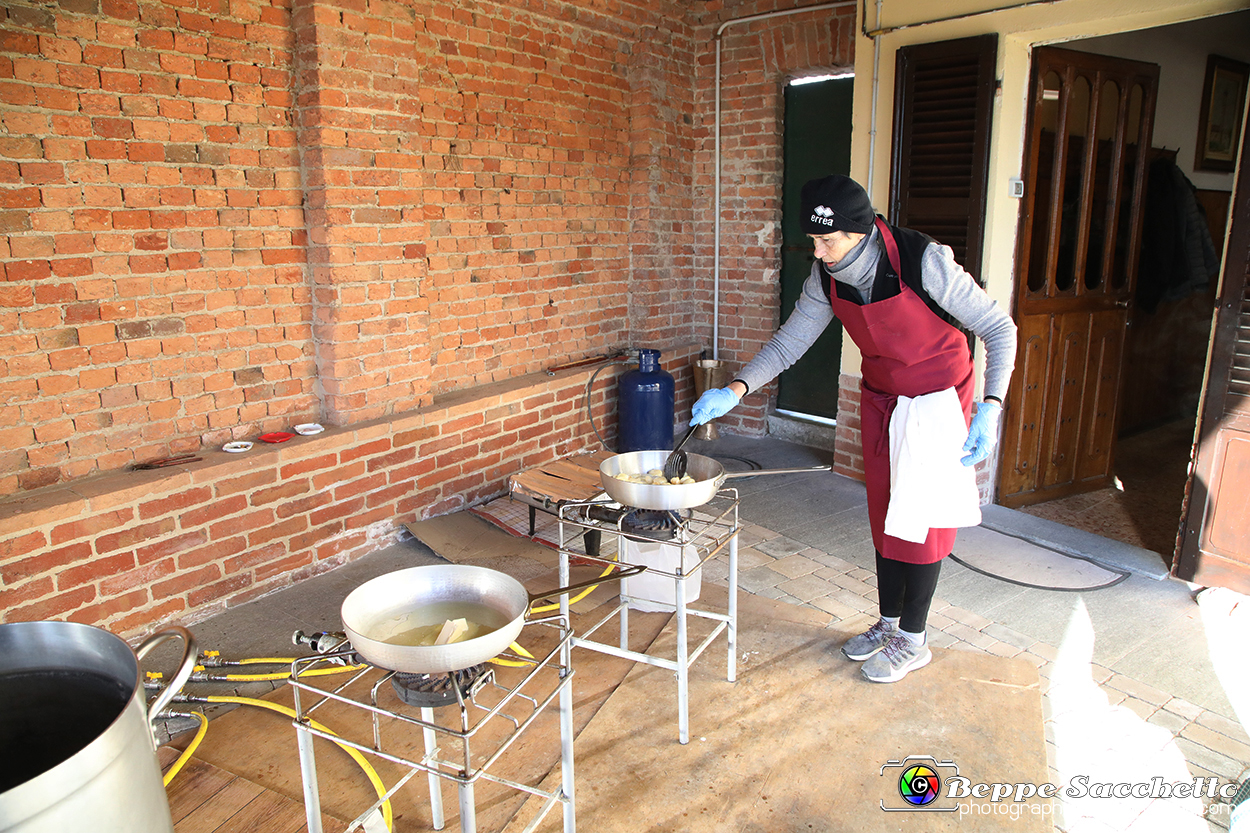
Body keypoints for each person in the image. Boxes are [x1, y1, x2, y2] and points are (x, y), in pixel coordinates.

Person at [690, 174, 1017, 683]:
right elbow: (788, 343)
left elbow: (999, 328)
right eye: (814, 242)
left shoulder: (922, 260)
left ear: (860, 233)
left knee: (923, 519)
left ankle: (914, 638)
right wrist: (735, 389)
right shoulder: (826, 277)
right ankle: (888, 624)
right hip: (883, 398)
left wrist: (991, 408)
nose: (818, 254)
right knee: (887, 513)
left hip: (937, 399)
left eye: (828, 241)